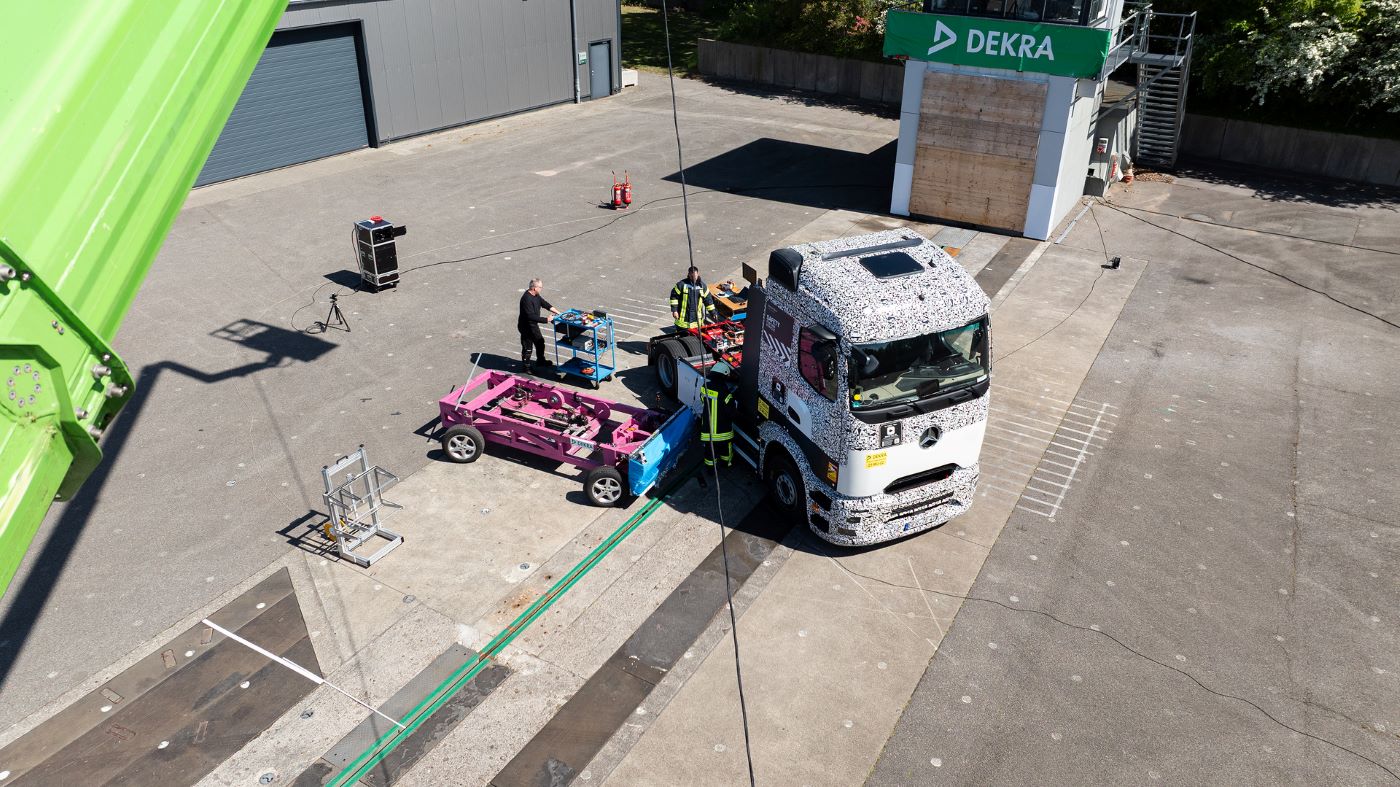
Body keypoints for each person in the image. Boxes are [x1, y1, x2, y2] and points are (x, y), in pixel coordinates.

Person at [518, 277, 559, 373]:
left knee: (540, 342)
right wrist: (547, 319)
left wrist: (557, 312)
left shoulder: (536, 295)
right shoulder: (526, 299)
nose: (541, 289)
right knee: (528, 347)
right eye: (540, 287)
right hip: (526, 327)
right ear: (534, 288)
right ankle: (526, 366)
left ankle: (540, 360)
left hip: (533, 326)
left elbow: (544, 303)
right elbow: (530, 316)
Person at [700, 361, 735, 468]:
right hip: (723, 432)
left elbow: (702, 400)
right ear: (723, 375)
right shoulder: (725, 393)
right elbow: (731, 413)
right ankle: (726, 464)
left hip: (708, 431)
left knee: (710, 453)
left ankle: (711, 469)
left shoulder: (704, 387)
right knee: (725, 450)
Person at [670, 266, 718, 330]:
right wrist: (674, 311)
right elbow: (674, 297)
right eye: (692, 276)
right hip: (682, 322)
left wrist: (713, 312)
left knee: (695, 339)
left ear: (698, 274)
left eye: (695, 276)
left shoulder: (702, 286)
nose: (694, 278)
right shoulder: (681, 285)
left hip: (696, 321)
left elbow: (708, 301)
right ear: (689, 274)